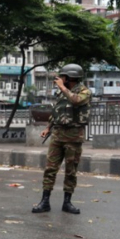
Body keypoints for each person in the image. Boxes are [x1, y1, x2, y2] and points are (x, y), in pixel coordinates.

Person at [32, 64, 92, 214]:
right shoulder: (61, 93)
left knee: (70, 171)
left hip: (73, 137)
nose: (60, 79)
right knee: (50, 169)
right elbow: (56, 111)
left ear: (70, 77)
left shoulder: (84, 91)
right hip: (58, 136)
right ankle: (45, 201)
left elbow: (76, 100)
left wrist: (62, 88)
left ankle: (67, 202)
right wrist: (48, 127)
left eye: (63, 76)